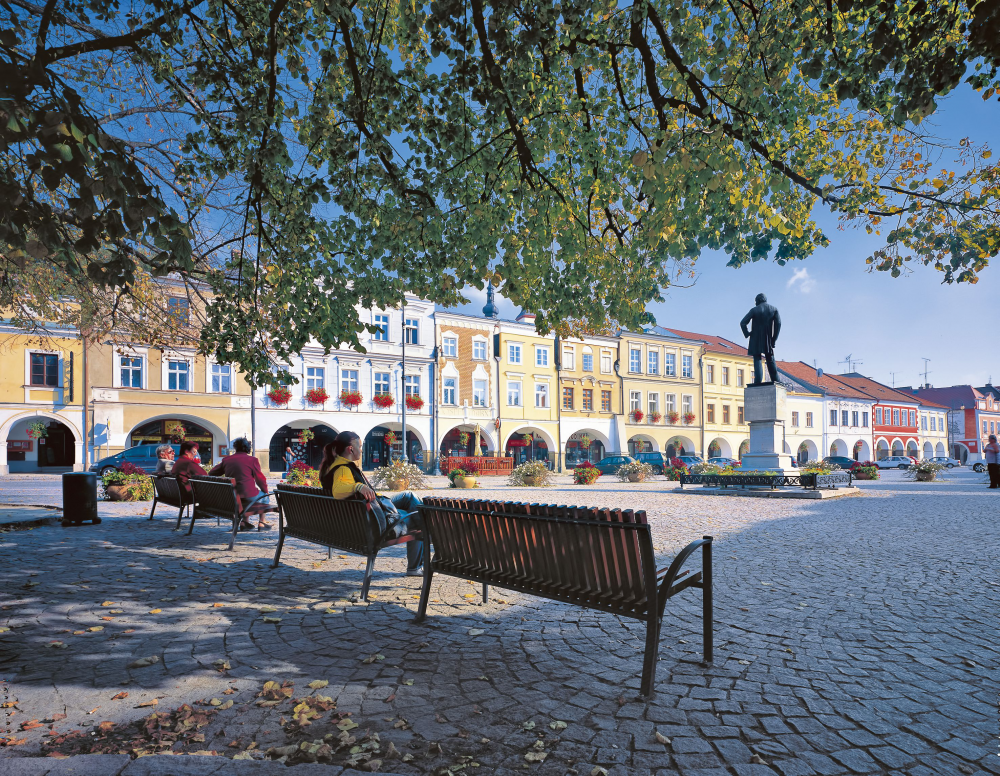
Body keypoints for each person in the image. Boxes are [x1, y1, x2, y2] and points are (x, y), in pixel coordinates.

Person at [319, 431, 424, 575]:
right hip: (372, 520)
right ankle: (417, 564)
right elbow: (338, 491)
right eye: (360, 446)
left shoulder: (334, 464)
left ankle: (429, 531)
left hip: (364, 512)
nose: (361, 450)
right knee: (419, 516)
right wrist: (358, 486)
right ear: (351, 449)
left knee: (409, 496)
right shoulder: (343, 469)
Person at [210, 438, 274, 530]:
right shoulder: (252, 460)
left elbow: (212, 473)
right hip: (248, 495)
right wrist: (265, 491)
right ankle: (262, 523)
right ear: (247, 448)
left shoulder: (226, 460)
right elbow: (260, 479)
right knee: (264, 496)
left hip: (232, 496)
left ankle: (245, 523)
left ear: (235, 448)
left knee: (243, 496)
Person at [740, 292, 781, 384]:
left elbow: (743, 323)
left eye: (755, 301)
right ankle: (776, 380)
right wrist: (774, 339)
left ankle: (758, 381)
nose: (755, 303)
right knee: (770, 358)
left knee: (757, 358)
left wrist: (747, 334)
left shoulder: (754, 310)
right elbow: (778, 324)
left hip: (755, 338)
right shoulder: (774, 309)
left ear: (758, 301)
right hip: (768, 338)